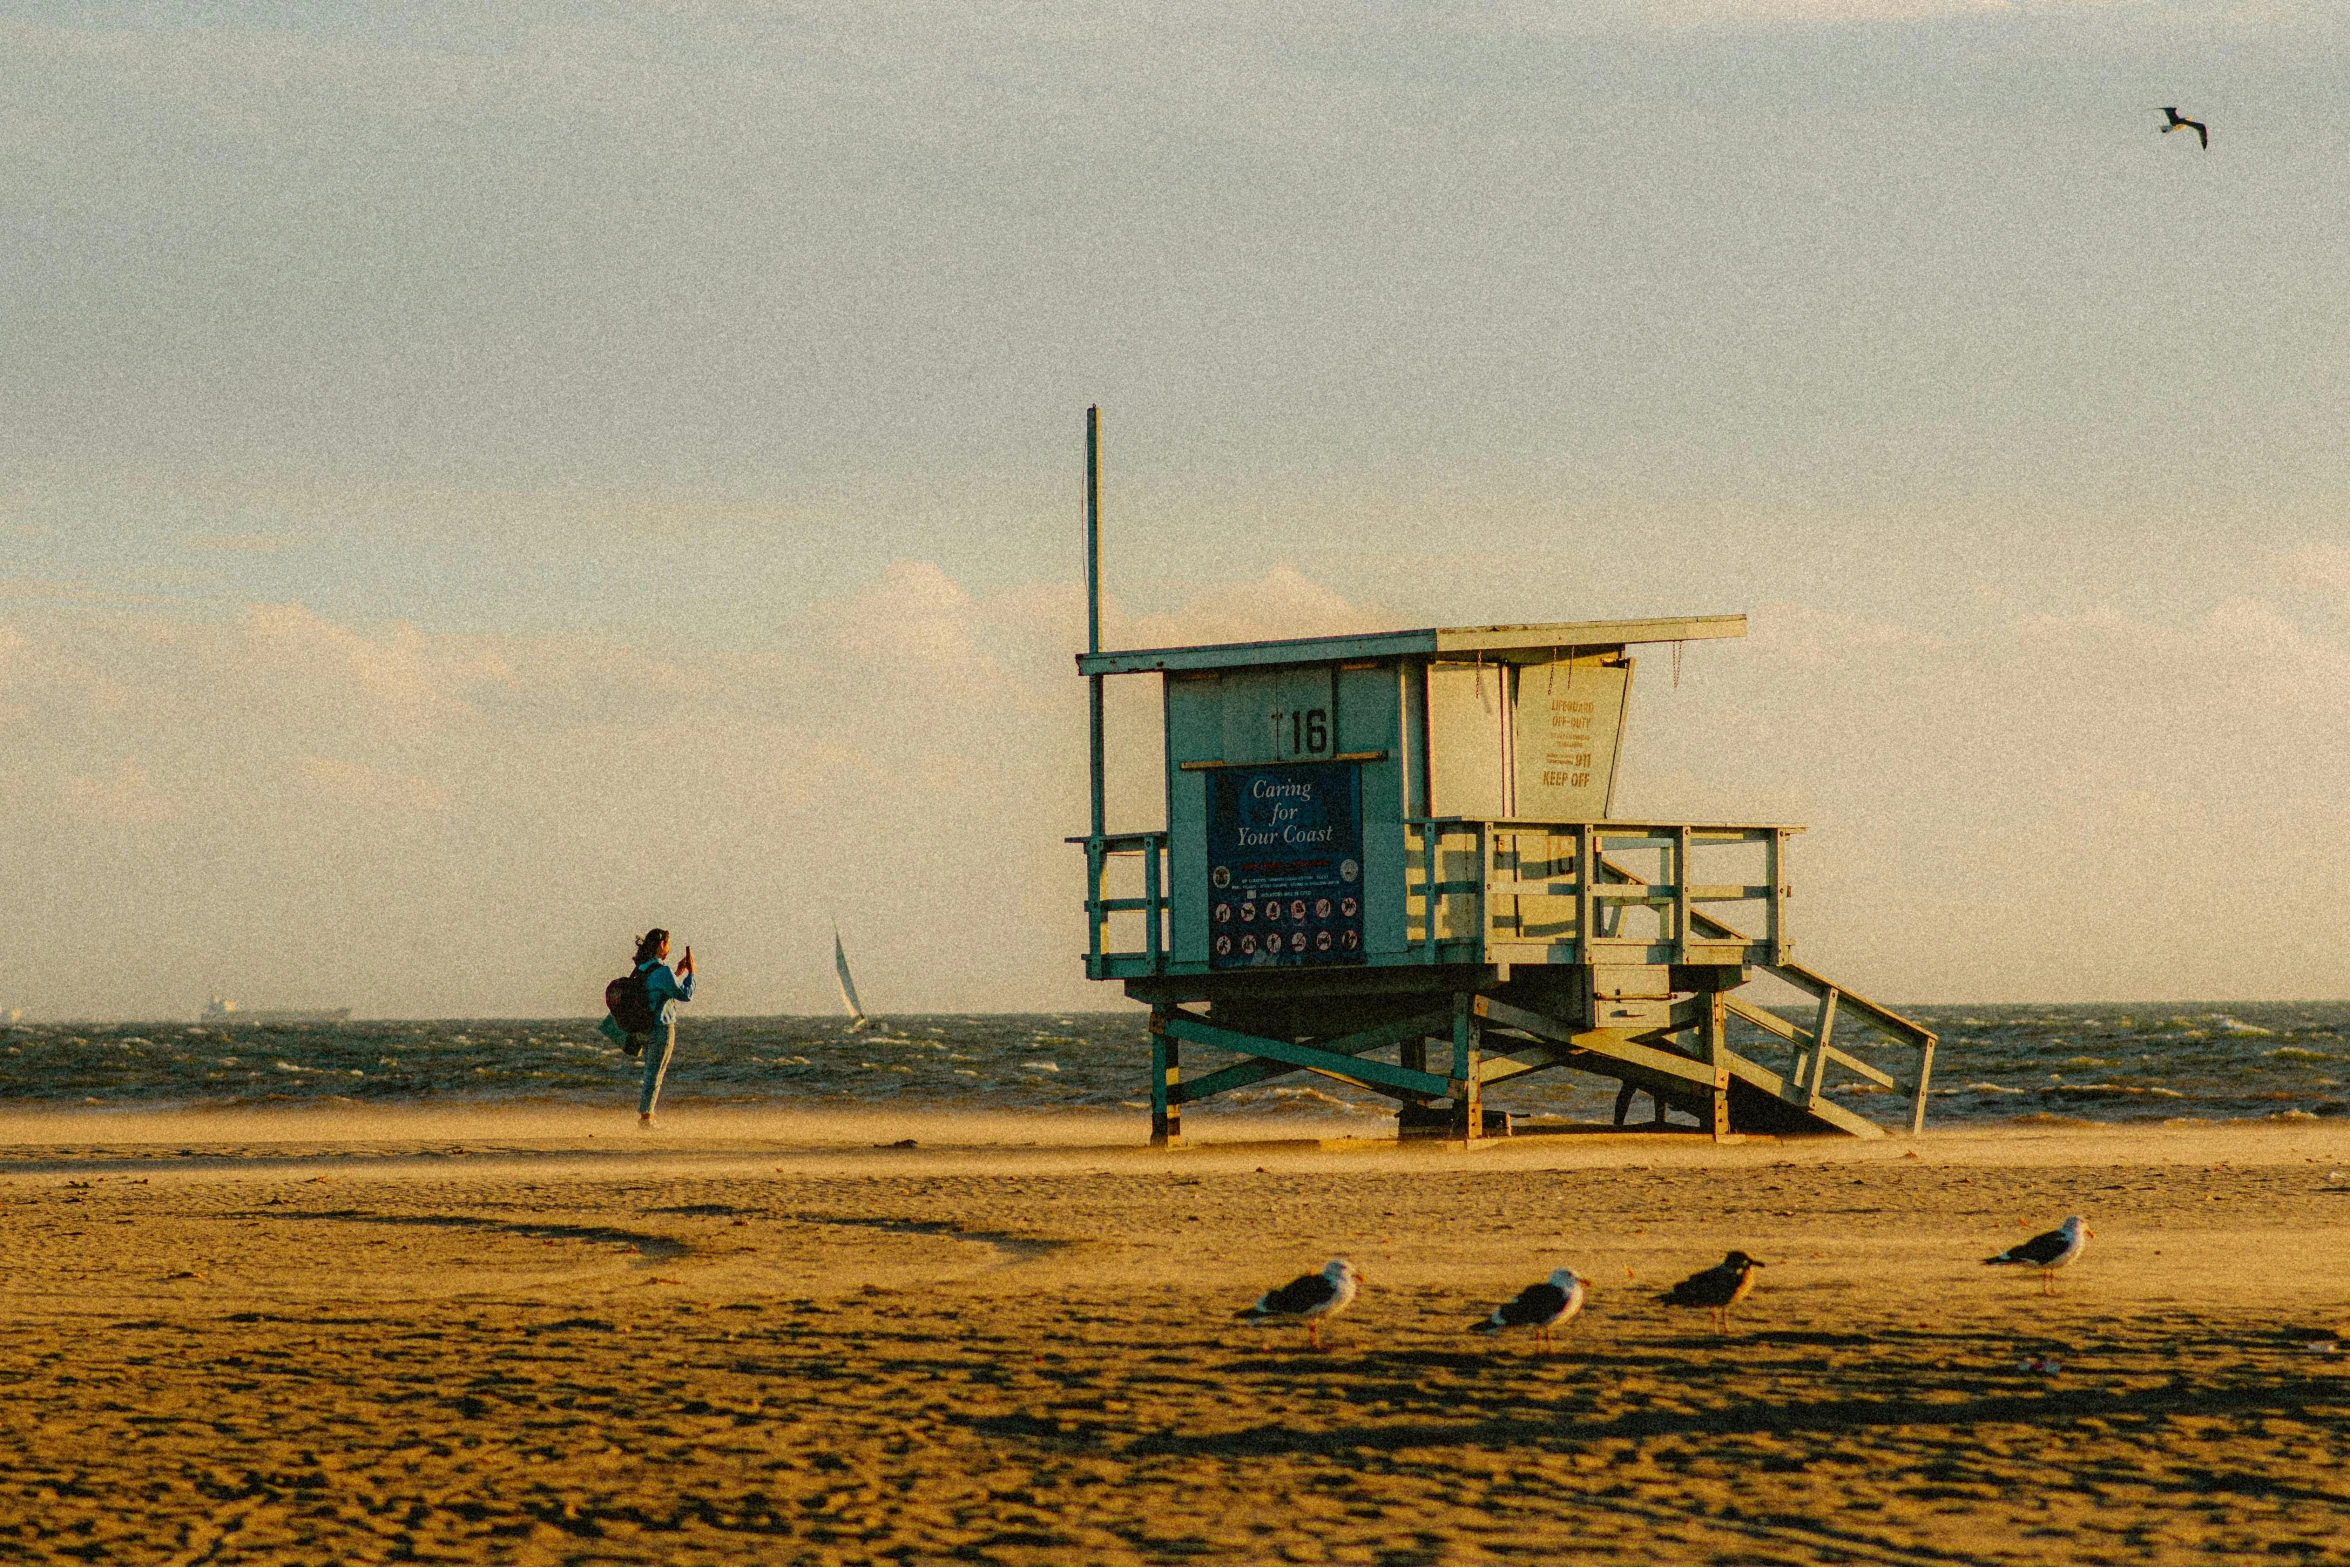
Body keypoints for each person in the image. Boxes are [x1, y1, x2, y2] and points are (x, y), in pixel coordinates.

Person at [623, 927, 693, 1127]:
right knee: (656, 1073)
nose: (669, 947)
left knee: (651, 1071)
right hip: (661, 1027)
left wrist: (677, 972)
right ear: (662, 945)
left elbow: (664, 989)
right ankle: (647, 1118)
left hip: (644, 1027)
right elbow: (684, 994)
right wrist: (691, 974)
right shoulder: (662, 971)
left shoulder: (643, 968)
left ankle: (646, 1115)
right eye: (668, 943)